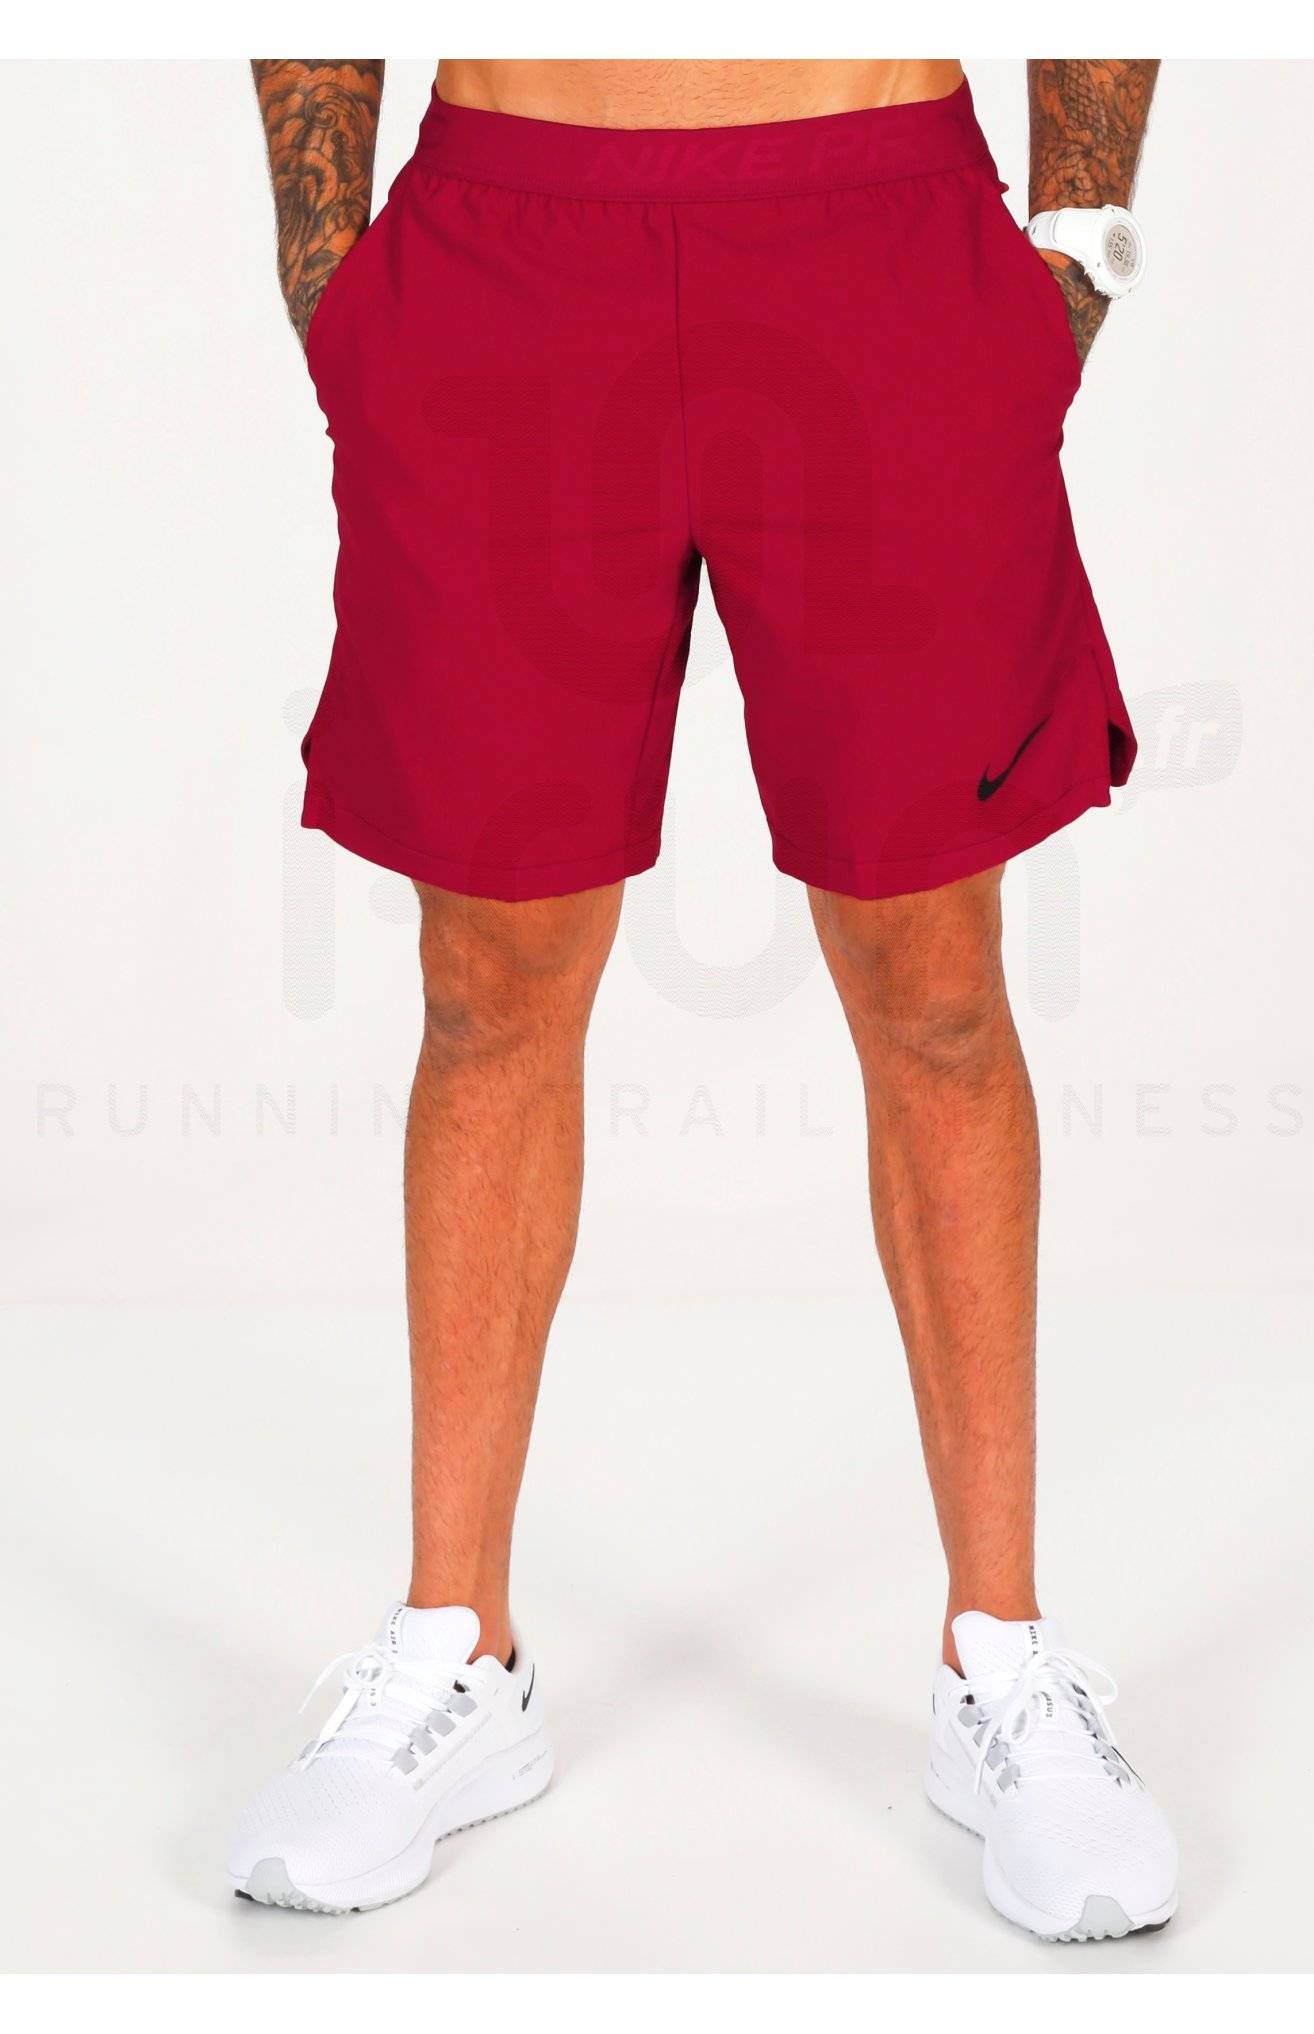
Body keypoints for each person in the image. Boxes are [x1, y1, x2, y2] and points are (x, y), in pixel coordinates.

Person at [231, 58, 1176, 1941]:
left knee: (933, 977)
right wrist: (330, 272)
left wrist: (1072, 249)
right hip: (505, 251)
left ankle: (1001, 1659)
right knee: (489, 978)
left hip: (879, 231)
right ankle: (457, 1650)